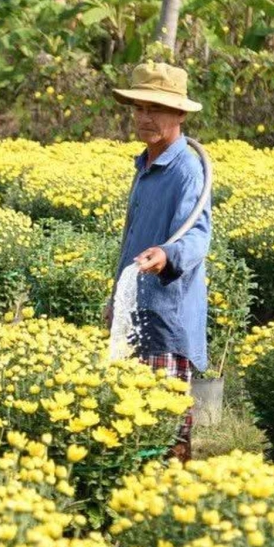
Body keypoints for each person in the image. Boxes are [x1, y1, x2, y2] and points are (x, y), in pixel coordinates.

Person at [105, 61, 212, 462]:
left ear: (180, 114)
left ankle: (172, 507)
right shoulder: (146, 163)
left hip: (166, 312)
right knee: (131, 419)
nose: (144, 118)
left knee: (164, 428)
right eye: (139, 108)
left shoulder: (186, 168)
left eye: (156, 109)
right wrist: (115, 299)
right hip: (136, 305)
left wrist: (167, 254)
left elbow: (198, 236)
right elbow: (131, 240)